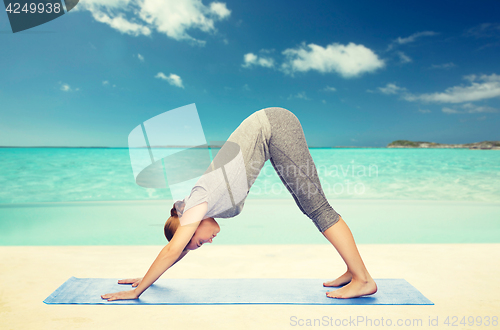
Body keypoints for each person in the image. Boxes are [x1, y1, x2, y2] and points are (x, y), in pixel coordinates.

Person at [101, 107, 377, 301]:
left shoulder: (197, 201)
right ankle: (354, 271)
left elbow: (173, 249)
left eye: (198, 242)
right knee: (310, 207)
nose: (206, 243)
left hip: (273, 125)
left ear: (189, 226)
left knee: (317, 208)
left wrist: (137, 292)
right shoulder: (199, 210)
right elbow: (179, 249)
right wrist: (148, 277)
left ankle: (363, 280)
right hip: (271, 132)